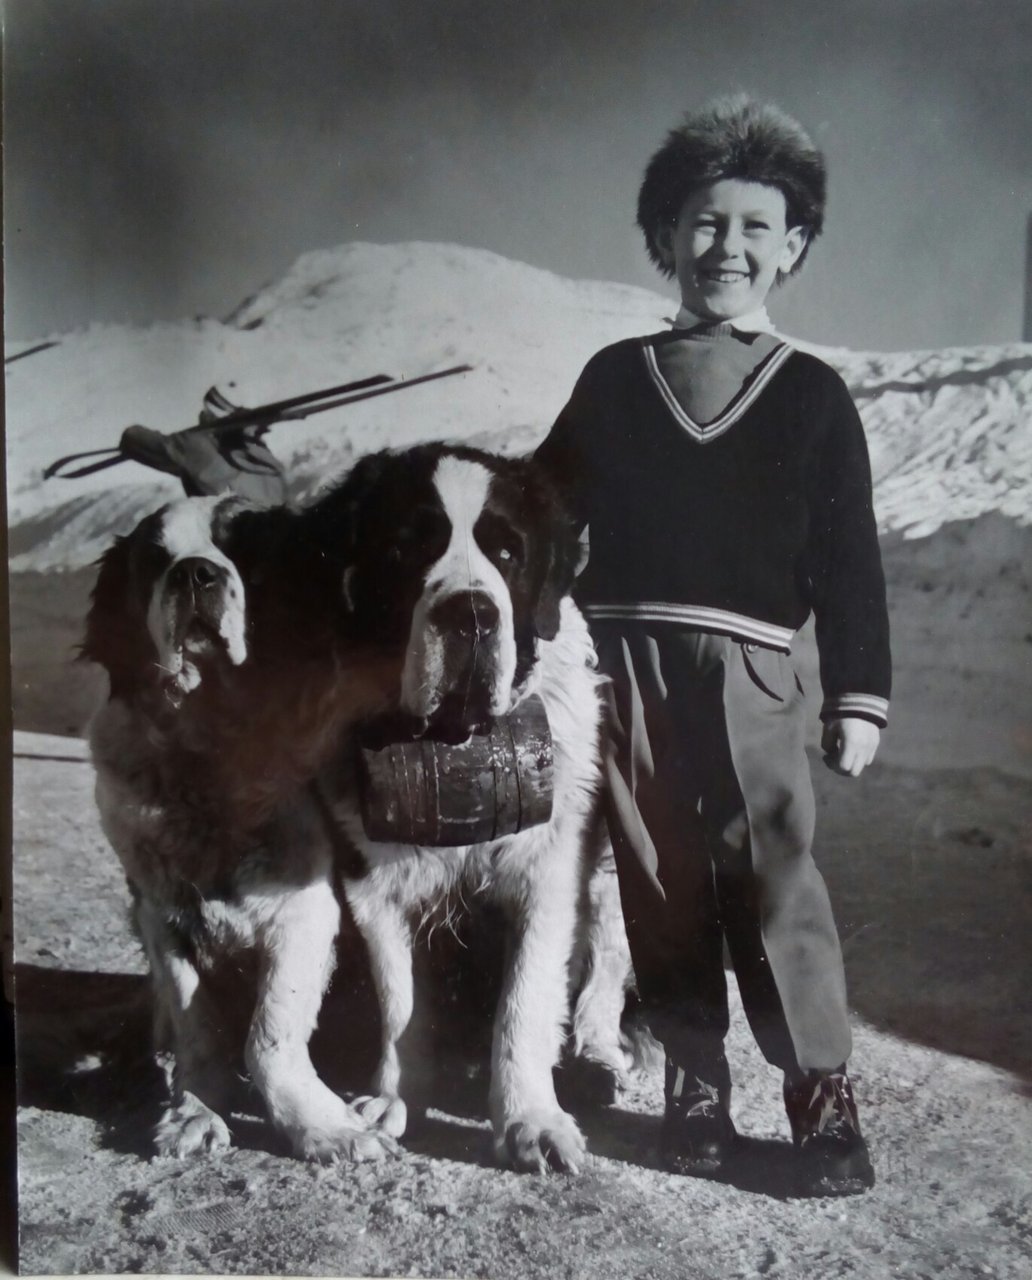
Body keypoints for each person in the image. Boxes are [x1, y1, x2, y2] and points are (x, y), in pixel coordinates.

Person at [534, 95, 890, 1197]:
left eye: (753, 227)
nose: (725, 246)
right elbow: (540, 512)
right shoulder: (612, 380)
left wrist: (860, 695)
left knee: (772, 879)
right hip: (623, 665)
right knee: (658, 880)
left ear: (792, 248)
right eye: (703, 221)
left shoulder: (814, 398)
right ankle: (695, 1087)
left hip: (755, 675)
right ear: (665, 237)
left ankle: (819, 1096)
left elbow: (851, 557)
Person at [119, 388, 289, 505]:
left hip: (234, 541)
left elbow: (134, 439)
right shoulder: (260, 451)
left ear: (210, 414)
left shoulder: (196, 446)